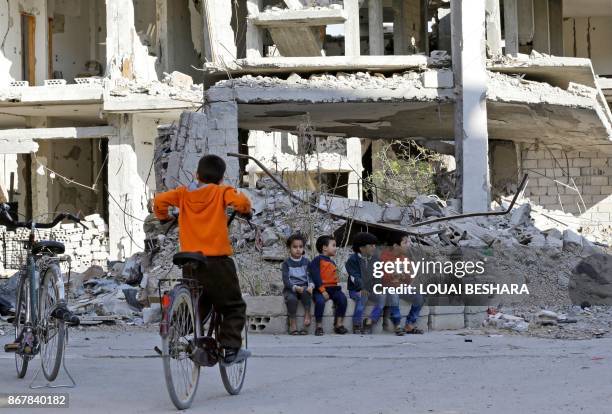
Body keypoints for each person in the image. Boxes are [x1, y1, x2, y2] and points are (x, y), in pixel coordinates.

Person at [153, 154, 252, 363]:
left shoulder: (183, 194)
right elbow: (241, 202)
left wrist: (164, 217)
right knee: (233, 305)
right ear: (221, 178)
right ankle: (231, 349)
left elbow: (159, 201)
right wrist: (245, 210)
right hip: (216, 261)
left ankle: (176, 332)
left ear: (197, 175)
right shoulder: (221, 192)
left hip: (189, 261)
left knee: (200, 303)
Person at [380, 233, 424, 335]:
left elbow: (409, 279)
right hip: (388, 287)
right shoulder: (384, 257)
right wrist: (392, 275)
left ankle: (410, 324)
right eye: (405, 242)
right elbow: (381, 278)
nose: (408, 244)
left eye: (409, 242)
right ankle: (397, 324)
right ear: (395, 246)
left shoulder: (405, 259)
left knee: (419, 296)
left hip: (402, 287)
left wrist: (405, 276)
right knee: (393, 294)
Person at [309, 235, 348, 336]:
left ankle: (338, 324)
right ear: (324, 247)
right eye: (333, 245)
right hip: (320, 288)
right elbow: (315, 276)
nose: (336, 248)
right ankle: (319, 326)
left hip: (334, 289)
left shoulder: (332, 262)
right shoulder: (317, 260)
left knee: (343, 299)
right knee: (320, 301)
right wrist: (322, 290)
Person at [345, 232, 378, 334]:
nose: (374, 247)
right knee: (362, 297)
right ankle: (356, 323)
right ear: (361, 248)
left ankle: (369, 321)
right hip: (356, 289)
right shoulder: (352, 260)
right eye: (371, 245)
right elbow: (355, 278)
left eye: (375, 245)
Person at [282, 233, 313, 335]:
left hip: (304, 286)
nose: (298, 249)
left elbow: (310, 276)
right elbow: (286, 280)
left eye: (300, 247)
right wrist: (294, 287)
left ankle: (307, 314)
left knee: (306, 294)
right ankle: (293, 322)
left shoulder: (306, 262)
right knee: (291, 299)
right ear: (289, 248)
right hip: (291, 288)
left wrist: (310, 286)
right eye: (295, 247)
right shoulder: (286, 263)